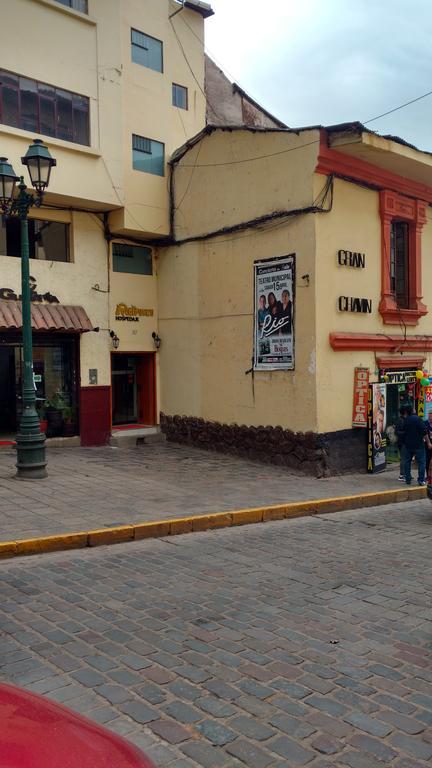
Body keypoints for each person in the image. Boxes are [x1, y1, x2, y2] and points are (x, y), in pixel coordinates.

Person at [402, 404, 427, 485]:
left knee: (407, 462)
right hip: (418, 445)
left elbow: (403, 432)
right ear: (412, 410)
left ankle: (408, 479)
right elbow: (424, 431)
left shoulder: (405, 420)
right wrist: (429, 442)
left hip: (408, 445)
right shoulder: (418, 419)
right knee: (421, 462)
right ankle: (421, 480)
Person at [395, 406, 407, 482]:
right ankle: (402, 475)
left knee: (406, 458)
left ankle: (406, 473)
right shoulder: (401, 420)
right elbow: (397, 432)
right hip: (402, 442)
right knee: (403, 458)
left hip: (404, 442)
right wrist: (405, 433)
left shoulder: (404, 420)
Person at [424, 411, 432, 481]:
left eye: (431, 416)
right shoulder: (425, 423)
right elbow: (423, 434)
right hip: (427, 445)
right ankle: (427, 476)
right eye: (429, 416)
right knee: (427, 460)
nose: (430, 418)